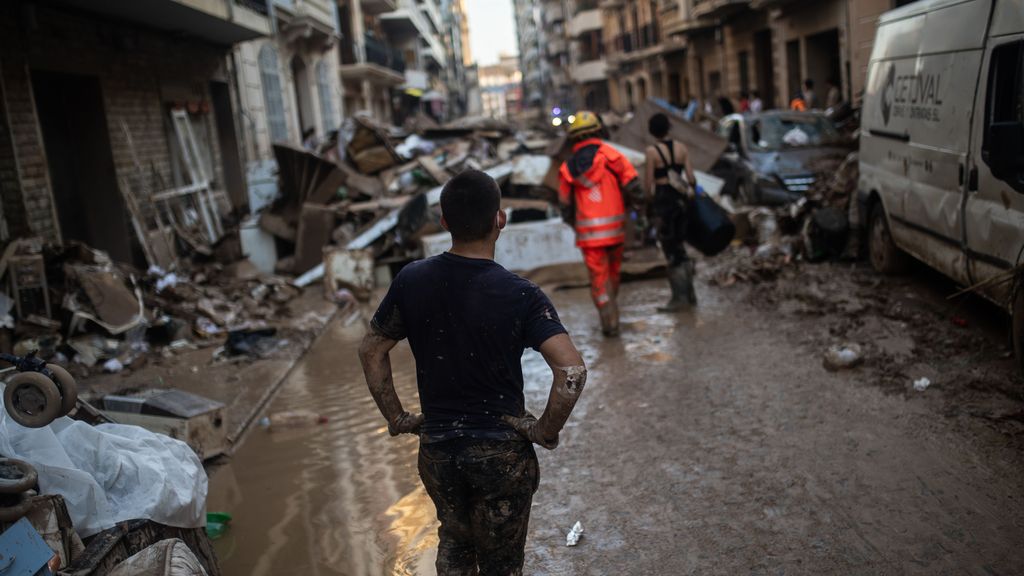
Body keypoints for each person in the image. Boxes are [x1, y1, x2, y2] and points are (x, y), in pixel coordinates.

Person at [359, 169, 587, 576]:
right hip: (500, 455)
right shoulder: (521, 294)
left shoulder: (411, 279)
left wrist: (397, 417)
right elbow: (571, 372)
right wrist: (543, 431)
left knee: (455, 544)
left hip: (438, 453)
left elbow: (372, 349)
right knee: (501, 565)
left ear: (444, 223)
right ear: (500, 220)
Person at [558, 111, 642, 337]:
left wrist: (574, 224)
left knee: (598, 278)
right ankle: (613, 315)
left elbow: (564, 204)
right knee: (613, 275)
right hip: (615, 232)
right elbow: (635, 186)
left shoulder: (568, 168)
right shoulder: (611, 155)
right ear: (598, 131)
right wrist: (641, 211)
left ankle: (609, 324)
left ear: (573, 138)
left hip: (589, 235)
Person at [645, 112, 698, 311]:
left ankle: (679, 299)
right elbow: (691, 179)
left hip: (663, 202)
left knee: (670, 249)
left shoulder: (652, 152)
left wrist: (648, 207)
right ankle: (690, 296)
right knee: (681, 247)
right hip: (681, 202)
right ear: (668, 128)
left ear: (652, 130)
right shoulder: (682, 148)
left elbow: (648, 184)